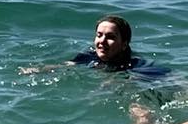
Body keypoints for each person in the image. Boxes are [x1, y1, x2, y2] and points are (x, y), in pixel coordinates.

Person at [23, 15, 170, 79]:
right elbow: (66, 65)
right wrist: (40, 70)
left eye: (110, 37)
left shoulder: (135, 65)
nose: (102, 41)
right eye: (99, 35)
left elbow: (168, 77)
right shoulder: (89, 56)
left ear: (124, 44)